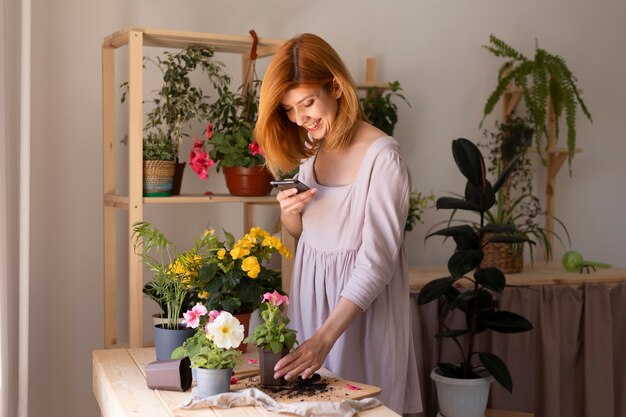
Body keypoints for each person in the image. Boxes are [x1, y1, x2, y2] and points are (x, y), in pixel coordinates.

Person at [254, 33, 422, 415]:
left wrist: (324, 339)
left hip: (358, 319)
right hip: (311, 308)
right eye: (290, 110)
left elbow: (376, 264)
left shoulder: (384, 159)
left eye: (307, 102)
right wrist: (289, 211)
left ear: (336, 86)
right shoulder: (312, 153)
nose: (301, 119)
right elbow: (304, 237)